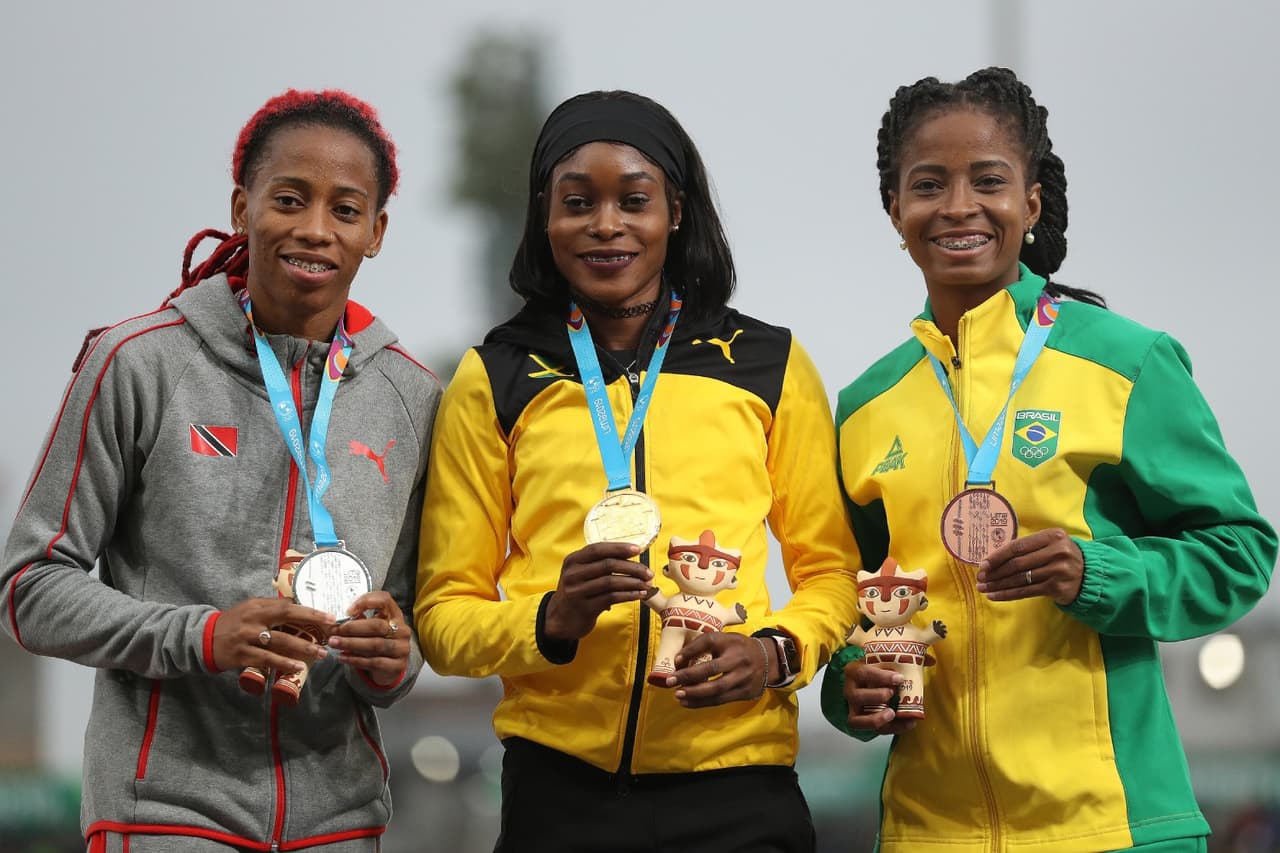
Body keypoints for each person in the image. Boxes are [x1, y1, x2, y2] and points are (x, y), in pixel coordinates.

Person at [820, 66, 1276, 852]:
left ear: (1029, 203)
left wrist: (1096, 572)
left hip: (1113, 825)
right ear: (895, 210)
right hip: (929, 834)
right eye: (929, 185)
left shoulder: (1127, 362)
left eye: (988, 180)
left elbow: (1239, 551)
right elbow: (847, 604)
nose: (959, 206)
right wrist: (848, 683)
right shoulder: (866, 405)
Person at [415, 89, 860, 852]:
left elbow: (832, 575)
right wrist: (549, 620)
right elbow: (443, 616)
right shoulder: (495, 375)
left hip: (740, 785)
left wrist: (772, 652)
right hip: (558, 793)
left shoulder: (768, 364)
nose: (606, 224)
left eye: (634, 199)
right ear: (544, 216)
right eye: (577, 202)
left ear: (676, 211)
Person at [1, 89, 442, 851]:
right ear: (242, 208)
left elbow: (406, 618)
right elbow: (30, 586)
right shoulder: (139, 363)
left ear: (377, 232)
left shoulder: (412, 397)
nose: (314, 229)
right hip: (164, 806)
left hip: (340, 819)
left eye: (345, 209)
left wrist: (395, 659)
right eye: (289, 199)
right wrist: (203, 635)